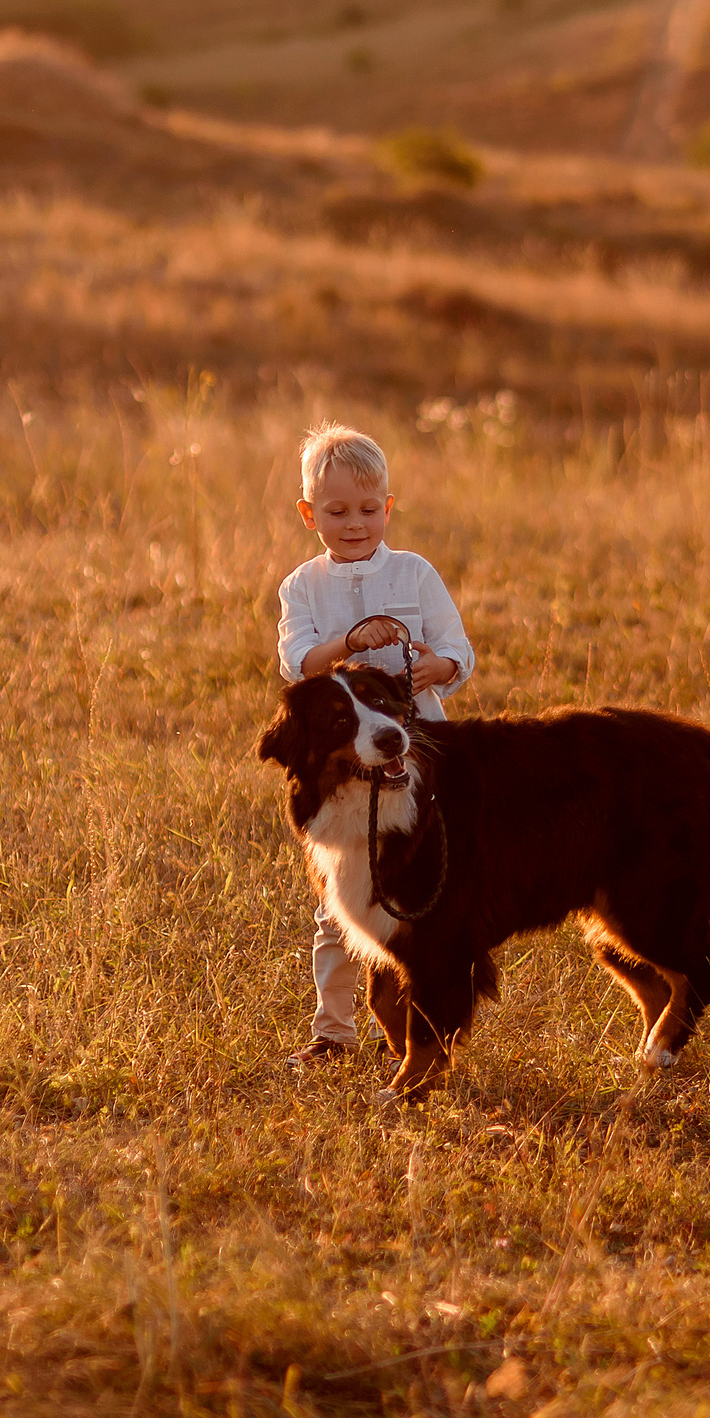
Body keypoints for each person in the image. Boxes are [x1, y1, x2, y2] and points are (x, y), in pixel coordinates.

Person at [275, 423, 474, 1068]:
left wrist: (438, 669)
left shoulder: (414, 574)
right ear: (310, 514)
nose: (354, 524)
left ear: (388, 507)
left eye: (368, 510)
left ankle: (429, 1021)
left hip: (418, 751)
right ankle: (332, 1031)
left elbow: (459, 648)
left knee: (427, 888)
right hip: (343, 763)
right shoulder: (302, 587)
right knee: (340, 908)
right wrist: (351, 645)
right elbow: (298, 663)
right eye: (336, 512)